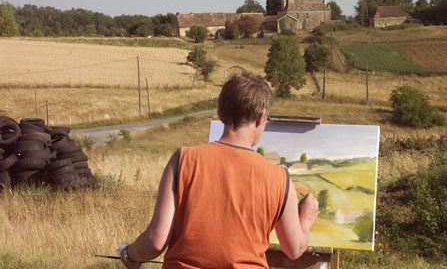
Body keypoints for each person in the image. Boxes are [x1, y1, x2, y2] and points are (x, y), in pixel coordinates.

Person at [119, 71, 318, 268]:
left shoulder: (184, 159)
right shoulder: (279, 178)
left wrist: (129, 254)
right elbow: (294, 249)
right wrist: (306, 220)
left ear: (221, 113)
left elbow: (155, 242)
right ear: (260, 119)